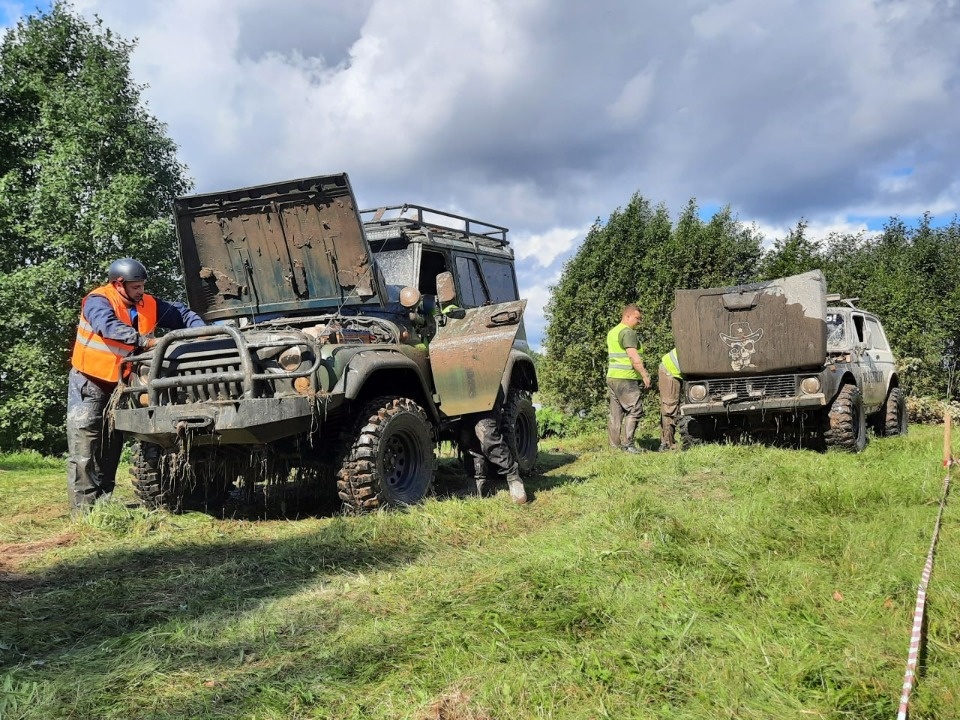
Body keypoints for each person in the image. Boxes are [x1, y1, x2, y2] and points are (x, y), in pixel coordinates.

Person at [67, 258, 206, 514]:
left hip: (122, 385)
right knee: (85, 446)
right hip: (90, 381)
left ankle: (102, 506)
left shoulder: (148, 303)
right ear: (118, 284)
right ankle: (83, 513)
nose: (141, 291)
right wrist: (146, 342)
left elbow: (183, 314)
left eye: (142, 285)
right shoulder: (98, 300)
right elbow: (108, 327)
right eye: (136, 287)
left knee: (111, 445)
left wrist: (201, 333)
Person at [463, 396, 528, 505]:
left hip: (484, 395)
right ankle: (475, 483)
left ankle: (513, 478)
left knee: (487, 433)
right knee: (467, 438)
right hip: (462, 400)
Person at [606, 303, 651, 453]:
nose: (639, 321)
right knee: (635, 409)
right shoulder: (627, 332)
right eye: (637, 318)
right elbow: (633, 357)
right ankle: (628, 445)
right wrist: (644, 375)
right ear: (627, 316)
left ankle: (614, 446)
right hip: (626, 378)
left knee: (616, 414)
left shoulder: (613, 332)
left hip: (613, 377)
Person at [658, 347, 682, 451]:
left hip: (673, 369)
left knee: (670, 406)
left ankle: (668, 441)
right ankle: (667, 443)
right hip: (670, 370)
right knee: (669, 407)